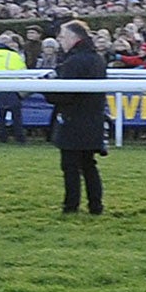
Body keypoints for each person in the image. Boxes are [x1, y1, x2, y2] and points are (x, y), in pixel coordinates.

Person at [49, 19, 107, 215]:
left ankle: (71, 206)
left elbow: (64, 94)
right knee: (89, 165)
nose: (60, 40)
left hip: (74, 120)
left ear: (74, 38)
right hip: (92, 119)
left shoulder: (75, 61)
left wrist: (45, 90)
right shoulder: (96, 58)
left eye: (63, 36)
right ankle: (95, 206)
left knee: (71, 166)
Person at [0, 30, 28, 143]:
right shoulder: (13, 55)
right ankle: (19, 137)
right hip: (12, 86)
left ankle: (2, 137)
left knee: (1, 115)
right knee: (16, 115)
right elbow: (22, 70)